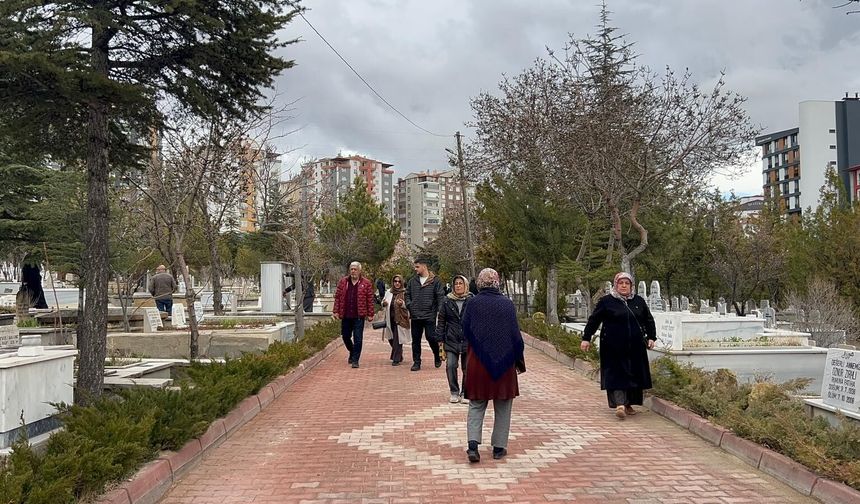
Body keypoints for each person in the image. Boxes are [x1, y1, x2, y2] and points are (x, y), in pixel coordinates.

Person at [462, 268, 525, 463]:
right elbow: (516, 337)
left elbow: (465, 329)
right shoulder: (507, 304)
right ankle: (498, 448)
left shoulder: (472, 303)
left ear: (480, 283)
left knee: (476, 404)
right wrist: (518, 362)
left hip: (478, 363)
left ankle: (473, 446)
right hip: (504, 363)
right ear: (497, 282)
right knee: (503, 405)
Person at [581, 271, 657, 420]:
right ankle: (620, 404)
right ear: (616, 285)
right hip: (612, 346)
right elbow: (594, 320)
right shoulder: (606, 301)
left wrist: (651, 337)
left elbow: (648, 320)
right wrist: (586, 338)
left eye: (626, 283)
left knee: (633, 374)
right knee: (616, 374)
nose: (623, 286)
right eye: (620, 283)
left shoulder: (638, 301)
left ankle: (629, 404)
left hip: (635, 347)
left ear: (631, 286)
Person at [436, 275, 473, 403]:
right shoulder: (447, 301)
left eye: (460, 283)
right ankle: (454, 391)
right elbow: (441, 320)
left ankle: (465, 392)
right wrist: (440, 339)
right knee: (451, 365)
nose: (458, 286)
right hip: (451, 338)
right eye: (456, 284)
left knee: (467, 367)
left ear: (465, 285)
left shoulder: (472, 300)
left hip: (468, 339)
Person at [404, 256, 445, 371]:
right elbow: (407, 294)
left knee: (431, 336)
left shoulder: (435, 280)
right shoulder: (412, 281)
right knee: (415, 339)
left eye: (417, 267)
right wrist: (409, 305)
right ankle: (416, 362)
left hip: (429, 315)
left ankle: (436, 355)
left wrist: (439, 310)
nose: (415, 269)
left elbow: (440, 296)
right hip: (416, 315)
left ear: (424, 266)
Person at [332, 261, 375, 368]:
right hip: (346, 315)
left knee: (358, 338)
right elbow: (337, 297)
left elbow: (370, 299)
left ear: (360, 271)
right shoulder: (343, 282)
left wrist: (370, 314)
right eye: (351, 269)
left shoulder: (366, 283)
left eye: (355, 269)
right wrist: (336, 311)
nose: (353, 271)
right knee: (345, 336)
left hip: (359, 316)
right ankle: (352, 351)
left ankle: (355, 360)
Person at [382, 274, 410, 366]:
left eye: (399, 281)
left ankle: (396, 359)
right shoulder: (389, 292)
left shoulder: (405, 293)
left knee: (398, 339)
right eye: (395, 281)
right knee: (391, 339)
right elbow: (383, 301)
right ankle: (399, 355)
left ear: (402, 282)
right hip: (390, 318)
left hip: (400, 319)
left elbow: (409, 305)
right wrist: (384, 303)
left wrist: (402, 304)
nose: (397, 283)